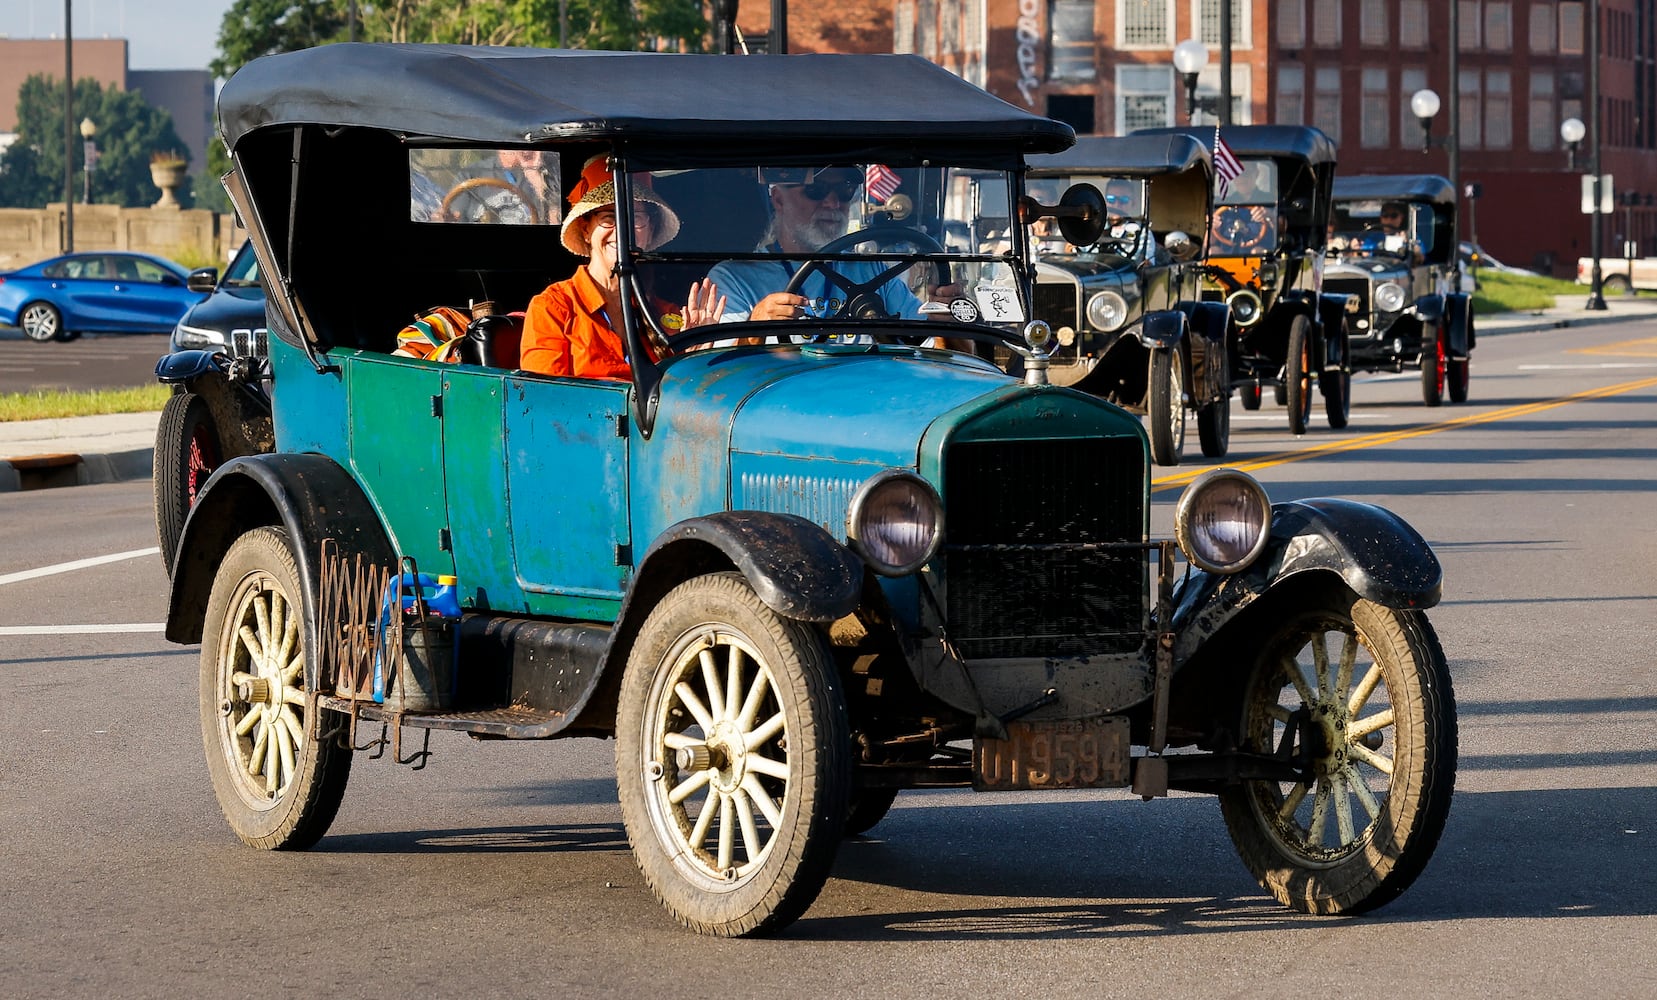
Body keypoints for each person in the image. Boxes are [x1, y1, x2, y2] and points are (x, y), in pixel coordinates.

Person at [519, 155, 725, 379]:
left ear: (650, 231)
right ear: (586, 230)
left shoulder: (667, 314)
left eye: (634, 218)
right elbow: (541, 400)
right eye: (608, 217)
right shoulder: (553, 308)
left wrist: (695, 359)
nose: (622, 230)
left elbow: (683, 400)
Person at [706, 166, 961, 326]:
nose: (832, 202)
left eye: (844, 190)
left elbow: (927, 341)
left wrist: (945, 319)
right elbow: (719, 371)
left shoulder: (869, 272)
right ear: (779, 200)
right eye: (816, 190)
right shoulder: (734, 278)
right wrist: (754, 327)